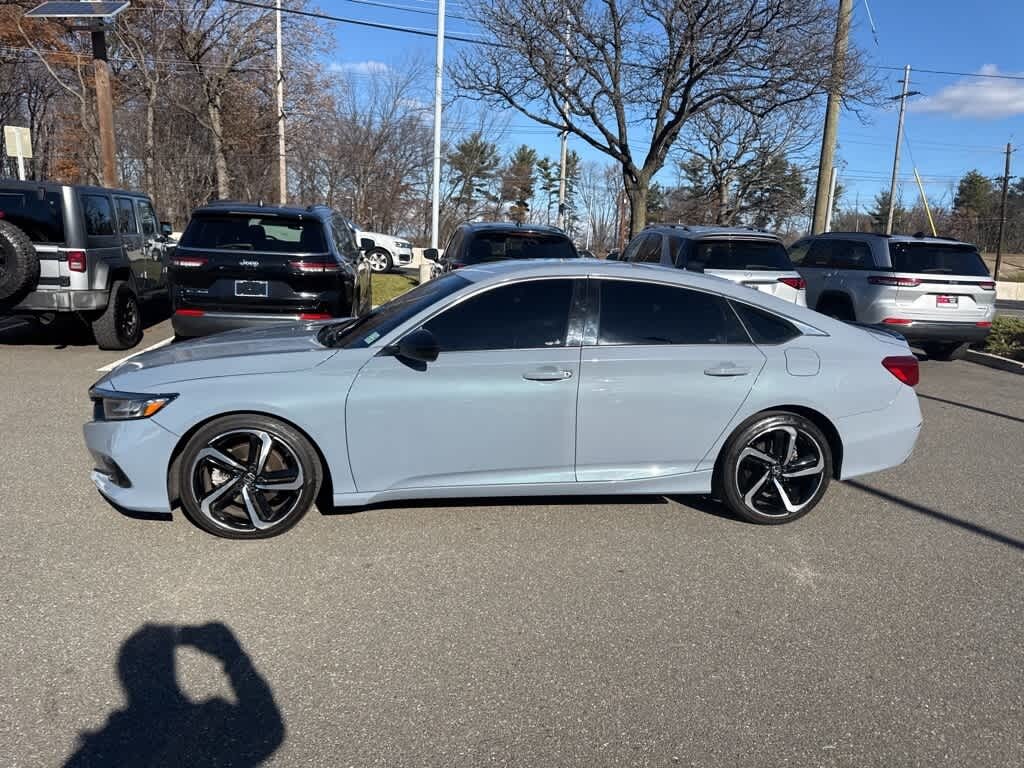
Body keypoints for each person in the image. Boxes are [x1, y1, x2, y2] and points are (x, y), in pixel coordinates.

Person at [65, 622, 284, 767]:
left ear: (126, 673)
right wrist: (232, 656)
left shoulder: (110, 747)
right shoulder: (208, 729)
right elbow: (267, 728)